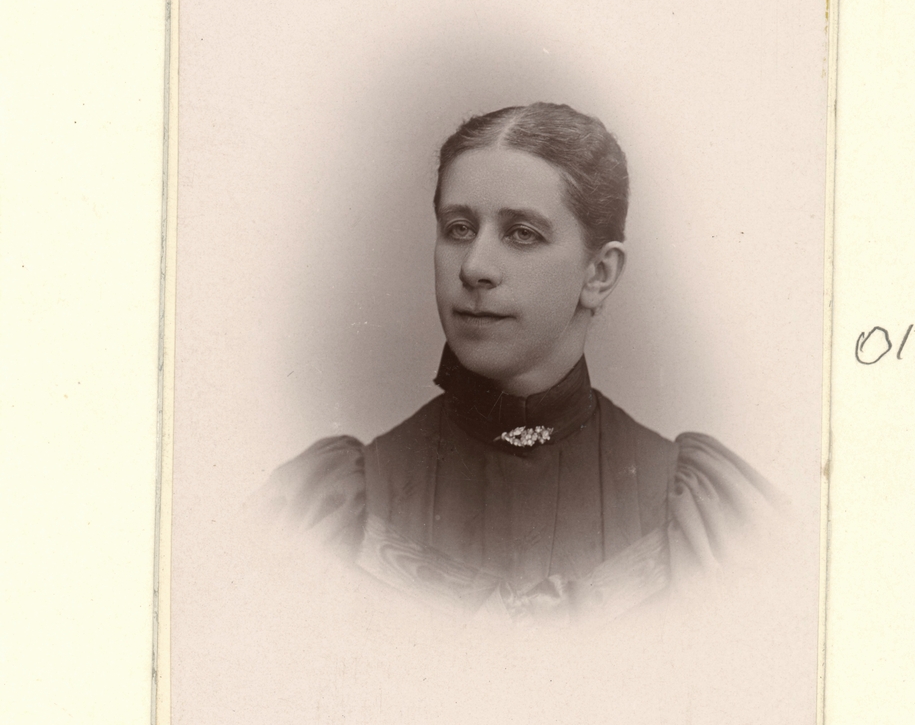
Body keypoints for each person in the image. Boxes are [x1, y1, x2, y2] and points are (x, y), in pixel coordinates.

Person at [263, 102, 780, 622]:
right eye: (459, 228)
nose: (474, 267)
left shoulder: (702, 514)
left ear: (599, 274)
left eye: (522, 234)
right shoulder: (333, 507)